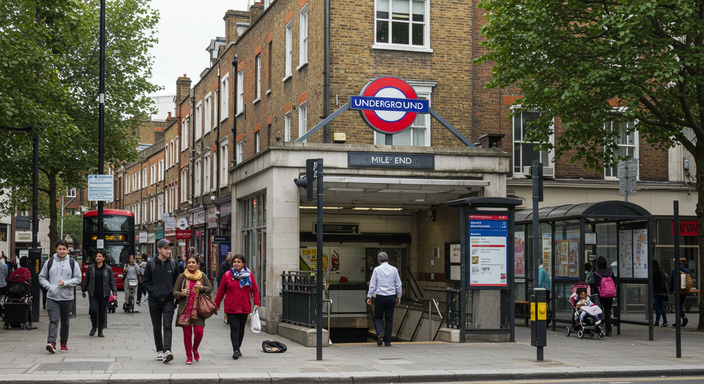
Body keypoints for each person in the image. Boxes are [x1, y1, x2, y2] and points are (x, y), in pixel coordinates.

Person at [214, 254, 260, 360]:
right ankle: (235, 350)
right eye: (234, 262)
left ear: (243, 264)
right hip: (231, 306)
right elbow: (221, 291)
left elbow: (255, 290)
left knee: (241, 329)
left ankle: (238, 347)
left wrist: (257, 302)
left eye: (239, 262)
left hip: (245, 306)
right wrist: (216, 304)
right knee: (234, 328)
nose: (236, 263)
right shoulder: (227, 275)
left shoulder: (249, 275)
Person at [38, 240, 81, 353]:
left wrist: (66, 283)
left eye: (64, 249)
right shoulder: (50, 262)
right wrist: (50, 286)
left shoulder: (73, 263)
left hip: (67, 298)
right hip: (52, 297)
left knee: (65, 322)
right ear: (56, 250)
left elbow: (78, 278)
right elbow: (41, 277)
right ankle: (51, 342)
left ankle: (63, 342)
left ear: (67, 250)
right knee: (53, 320)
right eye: (59, 249)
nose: (62, 251)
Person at [143, 238, 179, 363]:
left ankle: (167, 350)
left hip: (168, 300)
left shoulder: (173, 264)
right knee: (156, 327)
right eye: (165, 248)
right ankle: (159, 350)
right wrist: (153, 292)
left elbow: (177, 281)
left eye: (169, 248)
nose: (168, 251)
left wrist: (174, 294)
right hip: (154, 300)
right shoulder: (151, 264)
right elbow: (145, 281)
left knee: (167, 325)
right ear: (158, 250)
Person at [173, 255, 213, 365]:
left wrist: (202, 288)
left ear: (198, 264)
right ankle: (189, 356)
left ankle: (195, 349)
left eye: (193, 262)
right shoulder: (182, 277)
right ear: (186, 264)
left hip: (198, 310)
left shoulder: (202, 276)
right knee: (187, 335)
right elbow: (174, 292)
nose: (191, 264)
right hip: (185, 310)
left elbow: (210, 289)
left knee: (199, 332)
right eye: (189, 262)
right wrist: (181, 293)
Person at [366, 251, 402, 347]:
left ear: (379, 261)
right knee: (389, 319)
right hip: (391, 297)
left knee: (378, 317)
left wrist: (369, 296)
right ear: (388, 259)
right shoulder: (394, 269)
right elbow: (398, 284)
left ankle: (380, 332)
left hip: (380, 297)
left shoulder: (377, 270)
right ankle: (387, 341)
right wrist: (398, 296)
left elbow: (373, 285)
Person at [81, 250, 116, 337]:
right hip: (93, 293)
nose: (98, 258)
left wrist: (114, 292)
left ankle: (100, 330)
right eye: (97, 256)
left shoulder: (108, 269)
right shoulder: (91, 268)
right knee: (93, 310)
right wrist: (83, 290)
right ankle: (94, 327)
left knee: (102, 312)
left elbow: (112, 281)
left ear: (103, 258)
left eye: (100, 256)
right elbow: (87, 279)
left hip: (104, 294)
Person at [589, 256, 615, 336]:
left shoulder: (596, 273)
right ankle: (609, 330)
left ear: (598, 264)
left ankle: (599, 328)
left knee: (598, 311)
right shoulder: (610, 272)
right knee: (607, 312)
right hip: (609, 295)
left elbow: (591, 282)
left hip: (599, 295)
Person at [669, 259, 691, 327]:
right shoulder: (686, 270)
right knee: (679, 305)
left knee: (678, 306)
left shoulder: (674, 271)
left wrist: (670, 290)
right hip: (685, 290)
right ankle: (678, 321)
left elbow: (672, 281)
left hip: (678, 290)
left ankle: (684, 318)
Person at [652, 259, 669, 327]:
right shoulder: (661, 271)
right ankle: (661, 321)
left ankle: (661, 321)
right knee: (660, 305)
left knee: (658, 306)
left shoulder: (653, 272)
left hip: (657, 290)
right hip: (663, 290)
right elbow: (667, 278)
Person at [218, 252, 233, 324]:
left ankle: (228, 316)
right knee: (227, 302)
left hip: (232, 287)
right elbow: (221, 276)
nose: (230, 257)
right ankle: (226, 316)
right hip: (227, 286)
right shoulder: (224, 265)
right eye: (229, 256)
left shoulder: (233, 265)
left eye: (231, 256)